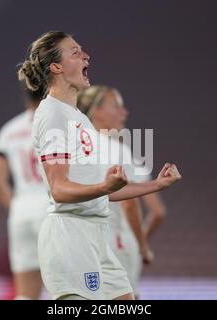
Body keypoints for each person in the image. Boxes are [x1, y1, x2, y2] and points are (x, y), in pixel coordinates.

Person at [18, 31, 182, 300]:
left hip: (98, 235)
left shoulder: (78, 118)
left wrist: (156, 185)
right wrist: (104, 185)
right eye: (75, 52)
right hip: (71, 237)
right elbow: (59, 189)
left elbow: (104, 191)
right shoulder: (52, 115)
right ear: (56, 67)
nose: (86, 56)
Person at [77, 85, 155, 298]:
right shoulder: (116, 149)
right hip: (113, 239)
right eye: (117, 106)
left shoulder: (71, 145)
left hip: (76, 239)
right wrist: (142, 245)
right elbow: (130, 203)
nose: (124, 112)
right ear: (96, 111)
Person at [0, 86, 47, 300]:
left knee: (25, 291)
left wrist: (16, 207)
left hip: (21, 211)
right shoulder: (61, 125)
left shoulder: (8, 131)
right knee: (59, 285)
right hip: (52, 207)